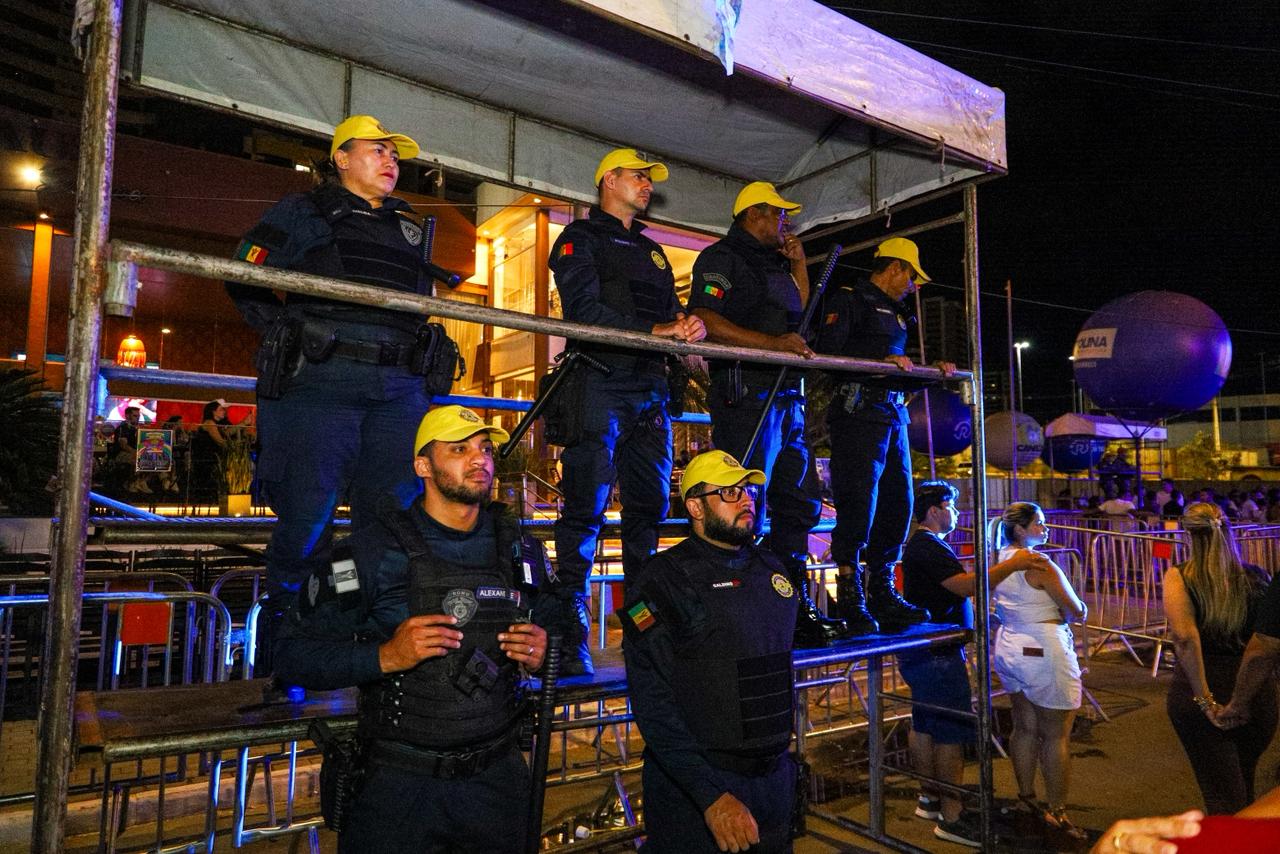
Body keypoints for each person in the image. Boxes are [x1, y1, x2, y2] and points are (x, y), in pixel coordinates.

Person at [275, 405, 548, 854]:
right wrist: (384, 657)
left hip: (499, 783)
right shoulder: (363, 555)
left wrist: (543, 650)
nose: (479, 459)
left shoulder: (520, 548)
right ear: (423, 466)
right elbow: (290, 653)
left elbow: (561, 630)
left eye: (484, 448)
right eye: (459, 449)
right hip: (400, 790)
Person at [227, 116, 449, 636]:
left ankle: (369, 634)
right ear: (342, 158)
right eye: (379, 150)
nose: (391, 161)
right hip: (323, 384)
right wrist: (284, 333)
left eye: (396, 155)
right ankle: (290, 641)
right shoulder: (304, 211)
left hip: (398, 389)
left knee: (389, 522)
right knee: (308, 517)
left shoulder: (410, 225)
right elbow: (243, 274)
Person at [542, 147, 706, 675]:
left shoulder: (654, 253)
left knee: (649, 513)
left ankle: (641, 624)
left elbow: (663, 315)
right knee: (583, 510)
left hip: (650, 388)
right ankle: (570, 632)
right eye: (638, 176)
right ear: (608, 180)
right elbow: (583, 312)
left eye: (649, 179)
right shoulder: (578, 239)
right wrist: (656, 332)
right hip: (599, 382)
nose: (647, 186)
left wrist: (686, 327)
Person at [686, 180, 846, 646]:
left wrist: (799, 264)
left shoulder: (776, 264)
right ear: (753, 213)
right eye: (778, 215)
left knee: (798, 503)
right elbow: (707, 320)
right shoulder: (722, 258)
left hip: (788, 399)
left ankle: (790, 604)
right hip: (748, 394)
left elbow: (801, 320)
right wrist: (773, 346)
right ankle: (744, 605)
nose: (784, 223)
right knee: (742, 505)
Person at [620, 451, 798, 853]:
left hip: (773, 784)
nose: (746, 499)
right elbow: (654, 704)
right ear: (696, 507)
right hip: (700, 792)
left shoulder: (773, 569)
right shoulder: (661, 580)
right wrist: (710, 796)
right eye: (729, 492)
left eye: (748, 490)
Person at [898, 482, 1051, 847]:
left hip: (927, 647)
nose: (955, 513)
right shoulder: (928, 546)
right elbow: (967, 586)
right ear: (934, 510)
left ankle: (930, 797)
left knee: (925, 724)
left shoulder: (924, 546)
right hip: (939, 650)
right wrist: (1012, 565)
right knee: (950, 730)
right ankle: (952, 816)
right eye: (951, 506)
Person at [814, 237, 954, 635]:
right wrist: (880, 364)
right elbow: (827, 354)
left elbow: (897, 368)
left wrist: (930, 371)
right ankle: (850, 592)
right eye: (911, 274)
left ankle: (883, 592)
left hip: (892, 415)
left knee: (899, 503)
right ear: (894, 267)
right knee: (859, 505)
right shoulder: (850, 299)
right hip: (858, 412)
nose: (912, 283)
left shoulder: (898, 312)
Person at [1162, 501, 1274, 814]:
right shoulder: (1257, 578)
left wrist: (1205, 701)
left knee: (1223, 798)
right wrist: (1243, 698)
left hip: (1205, 683)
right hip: (1253, 690)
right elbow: (1265, 642)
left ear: (1188, 535)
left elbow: (1185, 639)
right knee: (1244, 785)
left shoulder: (1181, 578)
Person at [989, 502, 1088, 836]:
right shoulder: (1040, 564)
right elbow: (1075, 607)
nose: (1045, 529)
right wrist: (1080, 608)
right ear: (1020, 529)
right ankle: (1057, 809)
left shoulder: (999, 560)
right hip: (1043, 645)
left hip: (1009, 645)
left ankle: (1025, 795)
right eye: (1039, 524)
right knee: (1056, 734)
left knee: (1024, 725)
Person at [189, 399, 229, 502]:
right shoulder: (210, 423)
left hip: (210, 459)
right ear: (213, 411)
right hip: (207, 460)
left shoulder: (216, 424)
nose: (224, 411)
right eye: (221, 409)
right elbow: (220, 441)